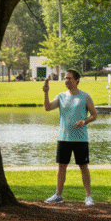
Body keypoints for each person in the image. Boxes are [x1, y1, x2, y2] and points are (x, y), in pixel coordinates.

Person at [43, 69, 98, 205]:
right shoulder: (61, 96)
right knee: (62, 166)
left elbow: (94, 115)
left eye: (69, 78)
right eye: (65, 78)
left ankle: (88, 197)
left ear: (77, 80)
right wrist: (46, 93)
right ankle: (58, 195)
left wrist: (84, 121)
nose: (66, 81)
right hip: (63, 138)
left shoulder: (85, 97)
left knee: (83, 167)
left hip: (80, 139)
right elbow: (48, 107)